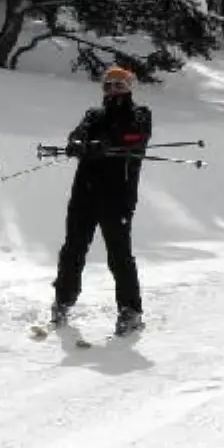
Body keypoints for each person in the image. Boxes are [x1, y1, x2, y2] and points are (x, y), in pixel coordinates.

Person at [51, 64, 152, 335]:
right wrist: (76, 143)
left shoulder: (140, 114)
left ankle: (130, 311)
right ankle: (62, 300)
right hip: (85, 191)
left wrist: (104, 144)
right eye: (108, 85)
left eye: (119, 84)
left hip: (118, 194)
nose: (112, 89)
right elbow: (78, 133)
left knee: (118, 254)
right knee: (73, 248)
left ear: (129, 87)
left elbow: (134, 137)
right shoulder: (93, 114)